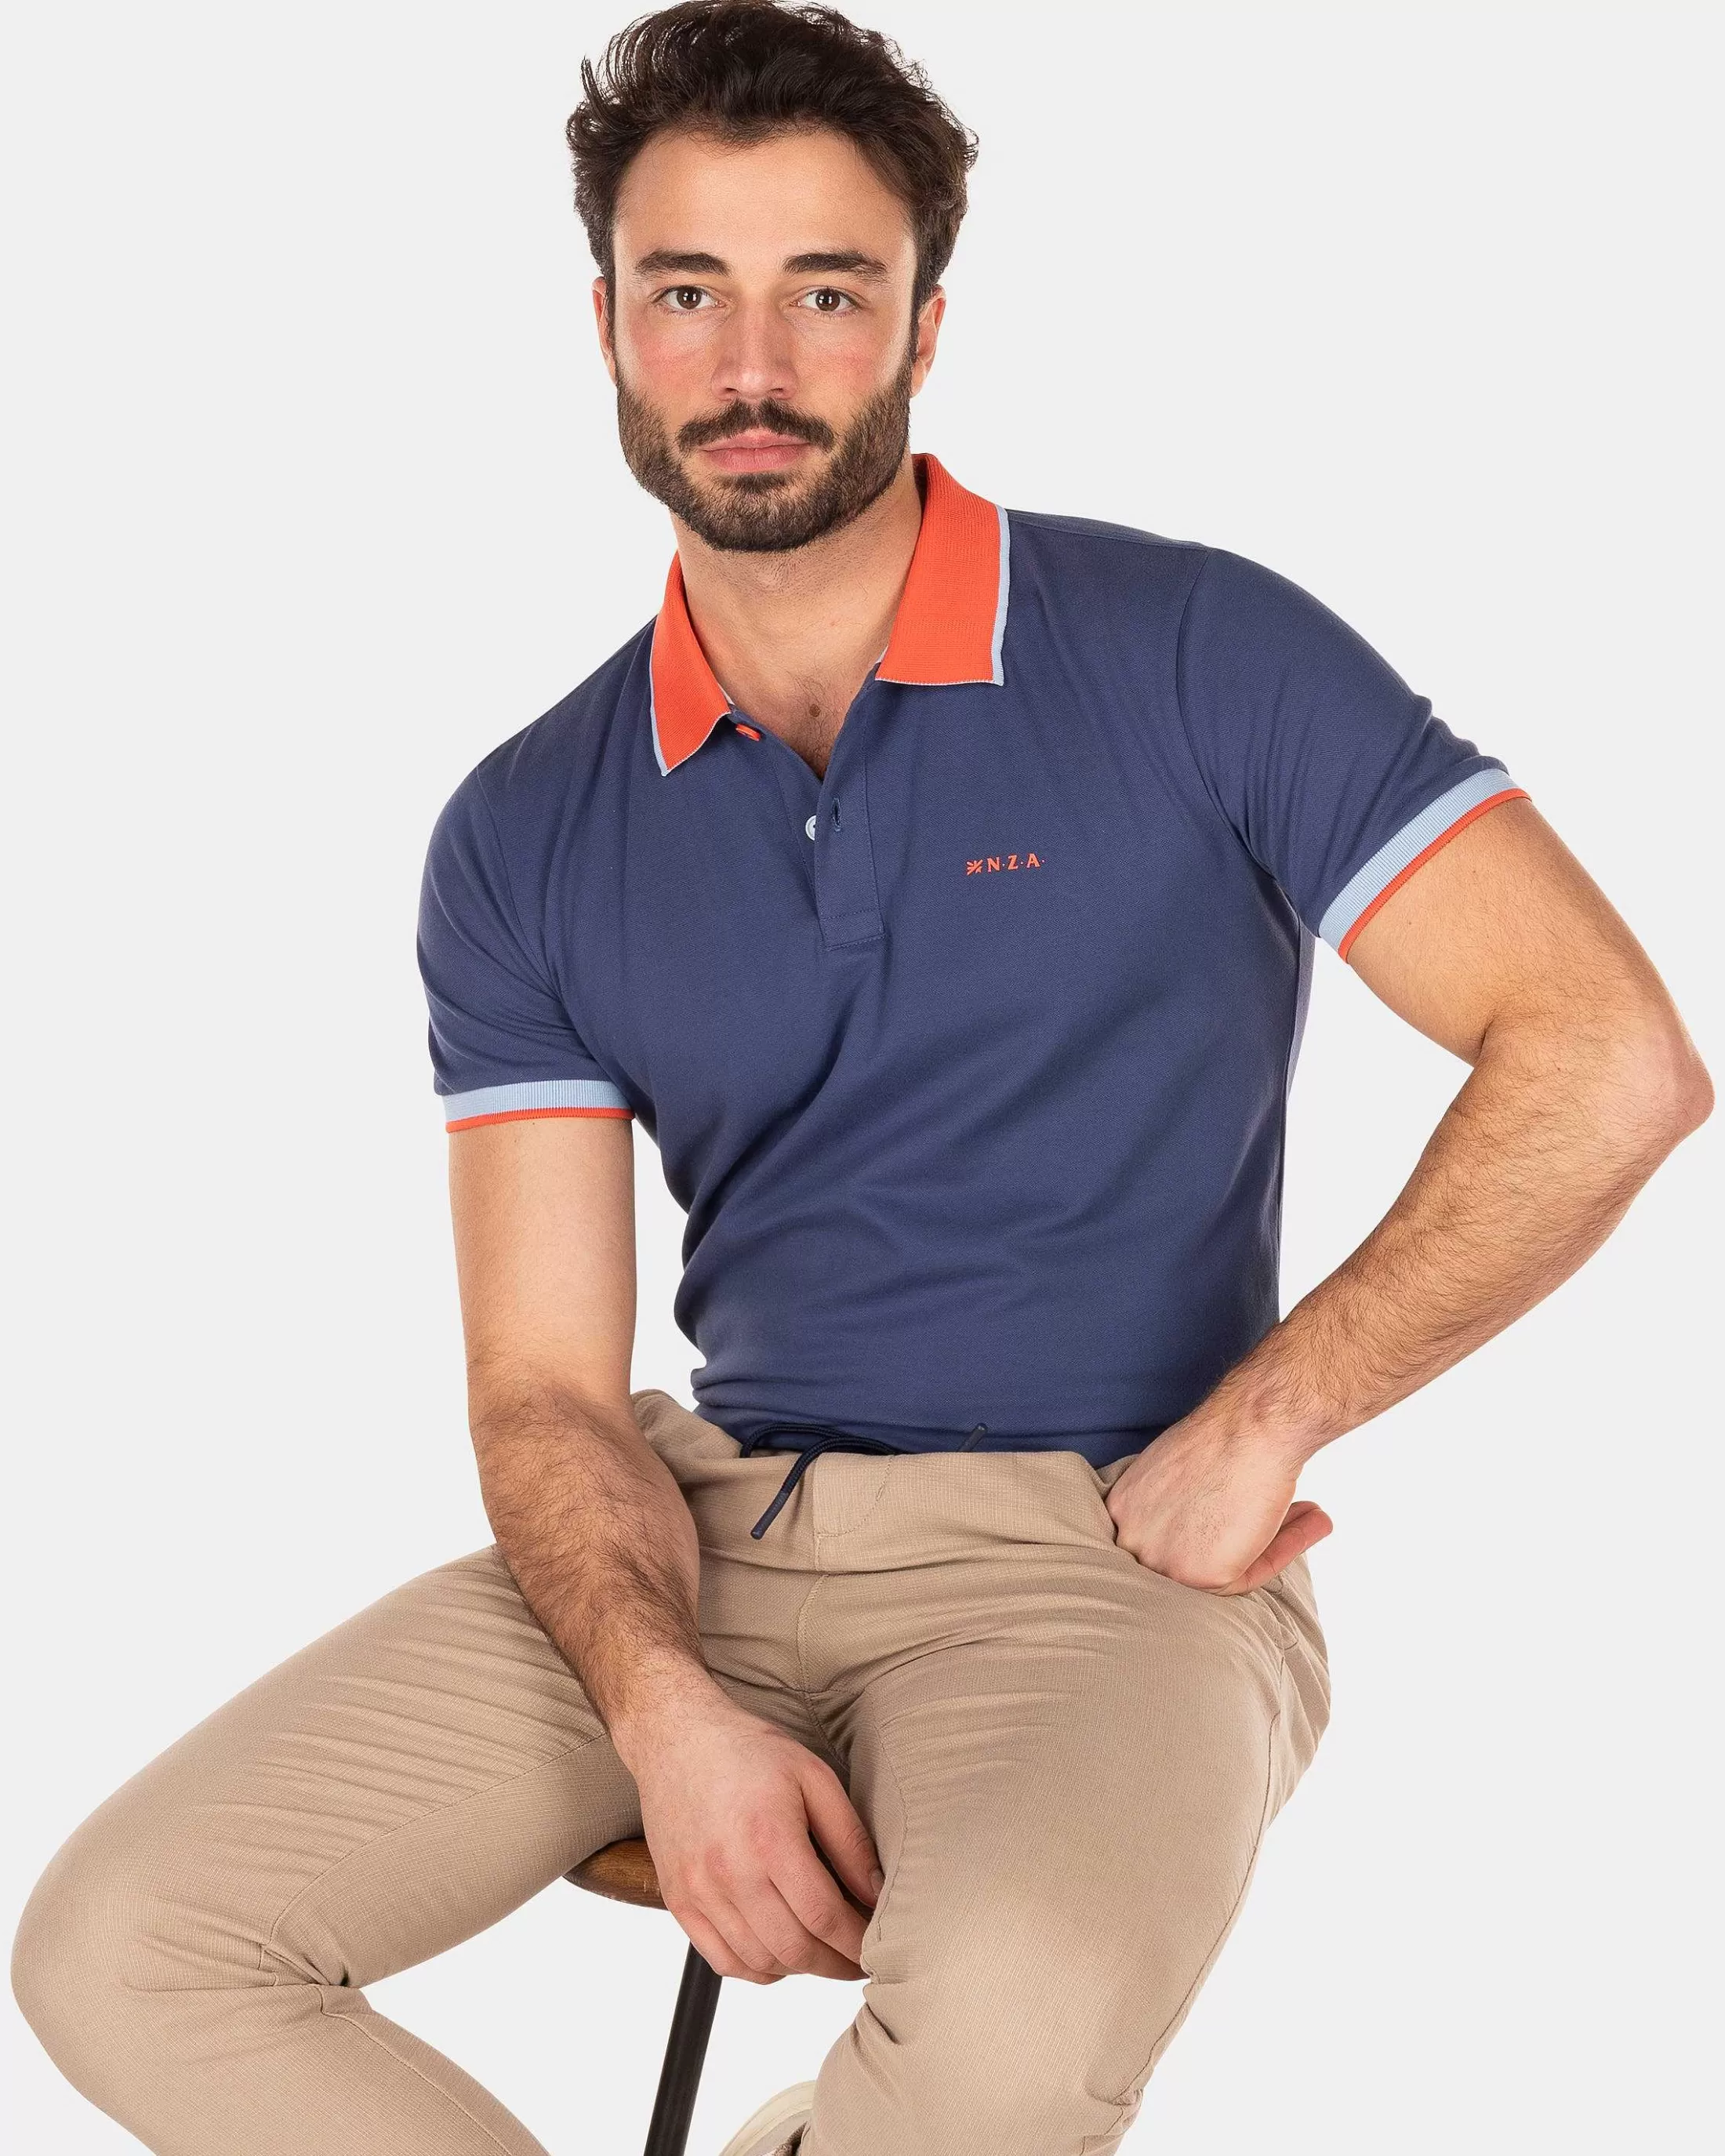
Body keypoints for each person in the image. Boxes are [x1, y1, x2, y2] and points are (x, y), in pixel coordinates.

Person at [11, 4, 1712, 2153]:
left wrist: (1264, 1422)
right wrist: (664, 1709)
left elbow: (1606, 1053)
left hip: (1106, 1552)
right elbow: (544, 1393)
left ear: (924, 321)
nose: (752, 365)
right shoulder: (527, 828)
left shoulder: (1197, 652)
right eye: (686, 292)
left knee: (1000, 2034)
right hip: (702, 1543)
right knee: (128, 1944)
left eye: (825, 292)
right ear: (607, 327)